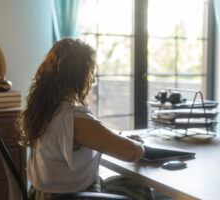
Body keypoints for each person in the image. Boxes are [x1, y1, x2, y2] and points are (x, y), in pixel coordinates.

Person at [17, 38, 154, 200]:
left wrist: (114, 139)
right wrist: (139, 145)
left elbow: (94, 137)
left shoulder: (45, 112)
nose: (92, 79)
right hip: (70, 197)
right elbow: (132, 153)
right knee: (137, 187)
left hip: (42, 195)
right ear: (79, 75)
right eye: (90, 72)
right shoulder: (72, 117)